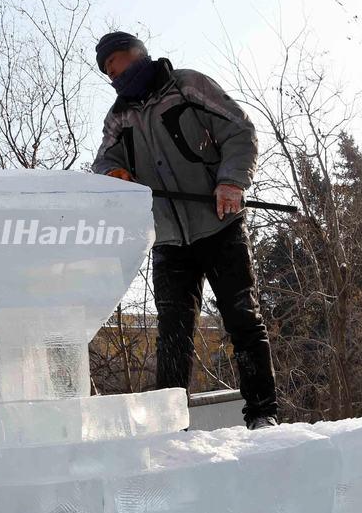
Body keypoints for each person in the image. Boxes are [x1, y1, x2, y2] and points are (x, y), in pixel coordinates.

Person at [90, 31, 279, 429]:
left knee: (243, 317)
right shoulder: (118, 117)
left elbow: (240, 131)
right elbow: (103, 163)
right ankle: (170, 428)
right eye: (109, 70)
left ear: (139, 53)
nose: (117, 71)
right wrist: (115, 174)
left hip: (220, 224)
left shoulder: (189, 85)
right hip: (168, 241)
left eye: (120, 60)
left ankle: (263, 414)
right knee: (173, 335)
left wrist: (232, 180)